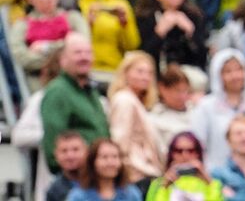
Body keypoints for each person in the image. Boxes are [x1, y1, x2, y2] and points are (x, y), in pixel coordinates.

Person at [8, 0, 89, 91]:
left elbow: (83, 46)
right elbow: (22, 58)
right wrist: (64, 51)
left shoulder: (73, 18)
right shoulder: (22, 25)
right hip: (39, 82)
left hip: (73, 80)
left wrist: (45, 47)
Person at [41, 34, 110, 171]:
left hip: (97, 173)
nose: (84, 57)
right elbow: (53, 141)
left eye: (88, 53)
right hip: (75, 175)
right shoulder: (58, 91)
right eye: (77, 53)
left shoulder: (91, 91)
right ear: (63, 60)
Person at [108, 51, 164, 188]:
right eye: (140, 71)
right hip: (136, 175)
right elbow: (120, 140)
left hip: (146, 173)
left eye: (149, 73)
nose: (145, 77)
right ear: (126, 73)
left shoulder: (136, 101)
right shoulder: (124, 100)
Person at [135, 0, 208, 77]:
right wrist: (159, 32)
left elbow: (202, 57)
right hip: (155, 74)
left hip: (188, 74)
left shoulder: (195, 16)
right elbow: (142, 55)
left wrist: (191, 32)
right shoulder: (145, 17)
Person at [80, 0, 140, 77]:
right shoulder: (79, 3)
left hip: (114, 69)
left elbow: (132, 45)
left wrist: (124, 24)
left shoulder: (121, 5)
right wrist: (88, 24)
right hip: (86, 68)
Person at [144, 132, 221, 201]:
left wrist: (210, 183)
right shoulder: (158, 184)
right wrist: (164, 187)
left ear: (198, 153)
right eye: (179, 151)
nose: (185, 155)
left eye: (191, 150)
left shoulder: (211, 183)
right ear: (171, 154)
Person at [66, 139, 141, 201]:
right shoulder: (78, 196)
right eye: (104, 157)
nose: (110, 162)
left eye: (115, 157)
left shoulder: (131, 193)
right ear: (92, 162)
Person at [149, 68, 197, 153]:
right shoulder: (153, 118)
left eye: (185, 90)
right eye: (177, 90)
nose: (182, 96)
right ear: (162, 89)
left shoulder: (197, 111)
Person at [48, 132, 91, 201]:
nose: (70, 156)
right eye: (64, 151)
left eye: (75, 149)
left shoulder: (102, 181)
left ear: (87, 152)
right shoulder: (54, 190)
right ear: (56, 155)